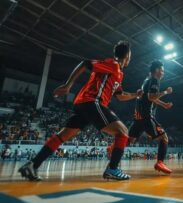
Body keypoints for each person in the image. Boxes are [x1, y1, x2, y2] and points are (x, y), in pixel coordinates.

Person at [18, 41, 142, 181]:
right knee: (123, 132)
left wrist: (135, 95)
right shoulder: (112, 64)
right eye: (130, 55)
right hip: (92, 102)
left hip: (83, 104)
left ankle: (33, 164)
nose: (130, 59)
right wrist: (67, 85)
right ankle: (113, 169)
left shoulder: (119, 74)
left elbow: (120, 96)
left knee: (63, 135)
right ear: (126, 55)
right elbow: (86, 63)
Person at [127, 60, 174, 174]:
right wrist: (165, 92)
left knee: (130, 140)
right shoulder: (154, 80)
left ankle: (113, 147)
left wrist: (163, 104)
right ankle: (160, 162)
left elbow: (149, 97)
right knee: (164, 138)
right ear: (157, 70)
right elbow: (151, 97)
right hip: (146, 116)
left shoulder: (146, 80)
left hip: (138, 116)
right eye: (162, 70)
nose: (163, 73)